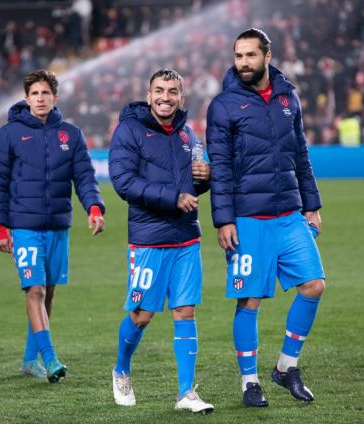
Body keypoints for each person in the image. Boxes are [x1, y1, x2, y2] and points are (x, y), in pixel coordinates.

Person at [206, 28, 326, 408]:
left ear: (267, 55)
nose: (242, 63)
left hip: (290, 213)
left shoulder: (288, 97)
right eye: (238, 56)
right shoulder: (223, 106)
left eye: (250, 56)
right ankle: (249, 382)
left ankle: (286, 366)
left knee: (314, 285)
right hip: (248, 218)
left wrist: (312, 204)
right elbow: (220, 167)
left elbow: (301, 155)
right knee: (250, 301)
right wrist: (224, 220)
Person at [0, 69, 105, 383]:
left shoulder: (71, 134)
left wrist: (94, 207)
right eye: (34, 94)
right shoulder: (8, 134)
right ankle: (50, 359)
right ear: (26, 99)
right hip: (24, 225)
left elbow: (84, 177)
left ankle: (29, 358)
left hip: (57, 225)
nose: (40, 99)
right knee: (34, 289)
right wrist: (0, 226)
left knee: (48, 291)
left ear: (55, 97)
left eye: (45, 93)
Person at [109, 69, 214, 414]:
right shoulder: (129, 131)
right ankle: (121, 370)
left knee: (185, 311)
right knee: (142, 315)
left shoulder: (188, 134)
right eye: (159, 90)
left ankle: (186, 393)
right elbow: (123, 182)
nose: (165, 97)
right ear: (148, 93)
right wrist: (173, 197)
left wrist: (205, 178)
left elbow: (194, 183)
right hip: (149, 238)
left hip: (186, 235)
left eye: (172, 91)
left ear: (182, 97)